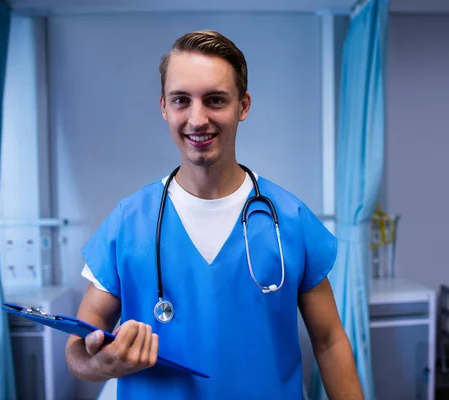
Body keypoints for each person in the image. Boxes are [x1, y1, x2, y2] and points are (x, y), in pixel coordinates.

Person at [65, 30, 364, 400]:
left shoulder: (289, 218)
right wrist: (102, 366)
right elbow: (79, 347)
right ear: (163, 107)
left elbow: (330, 340)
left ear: (243, 105)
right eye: (181, 100)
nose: (197, 118)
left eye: (215, 100)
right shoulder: (128, 222)